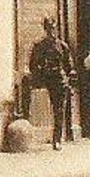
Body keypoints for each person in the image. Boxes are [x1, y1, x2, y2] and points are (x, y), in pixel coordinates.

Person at [25, 16, 75, 150]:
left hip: (59, 79)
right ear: (45, 29)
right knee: (41, 107)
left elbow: (69, 65)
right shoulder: (39, 46)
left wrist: (68, 76)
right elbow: (32, 65)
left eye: (53, 29)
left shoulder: (62, 46)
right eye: (49, 29)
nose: (51, 32)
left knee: (59, 110)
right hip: (44, 79)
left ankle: (57, 140)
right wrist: (41, 71)